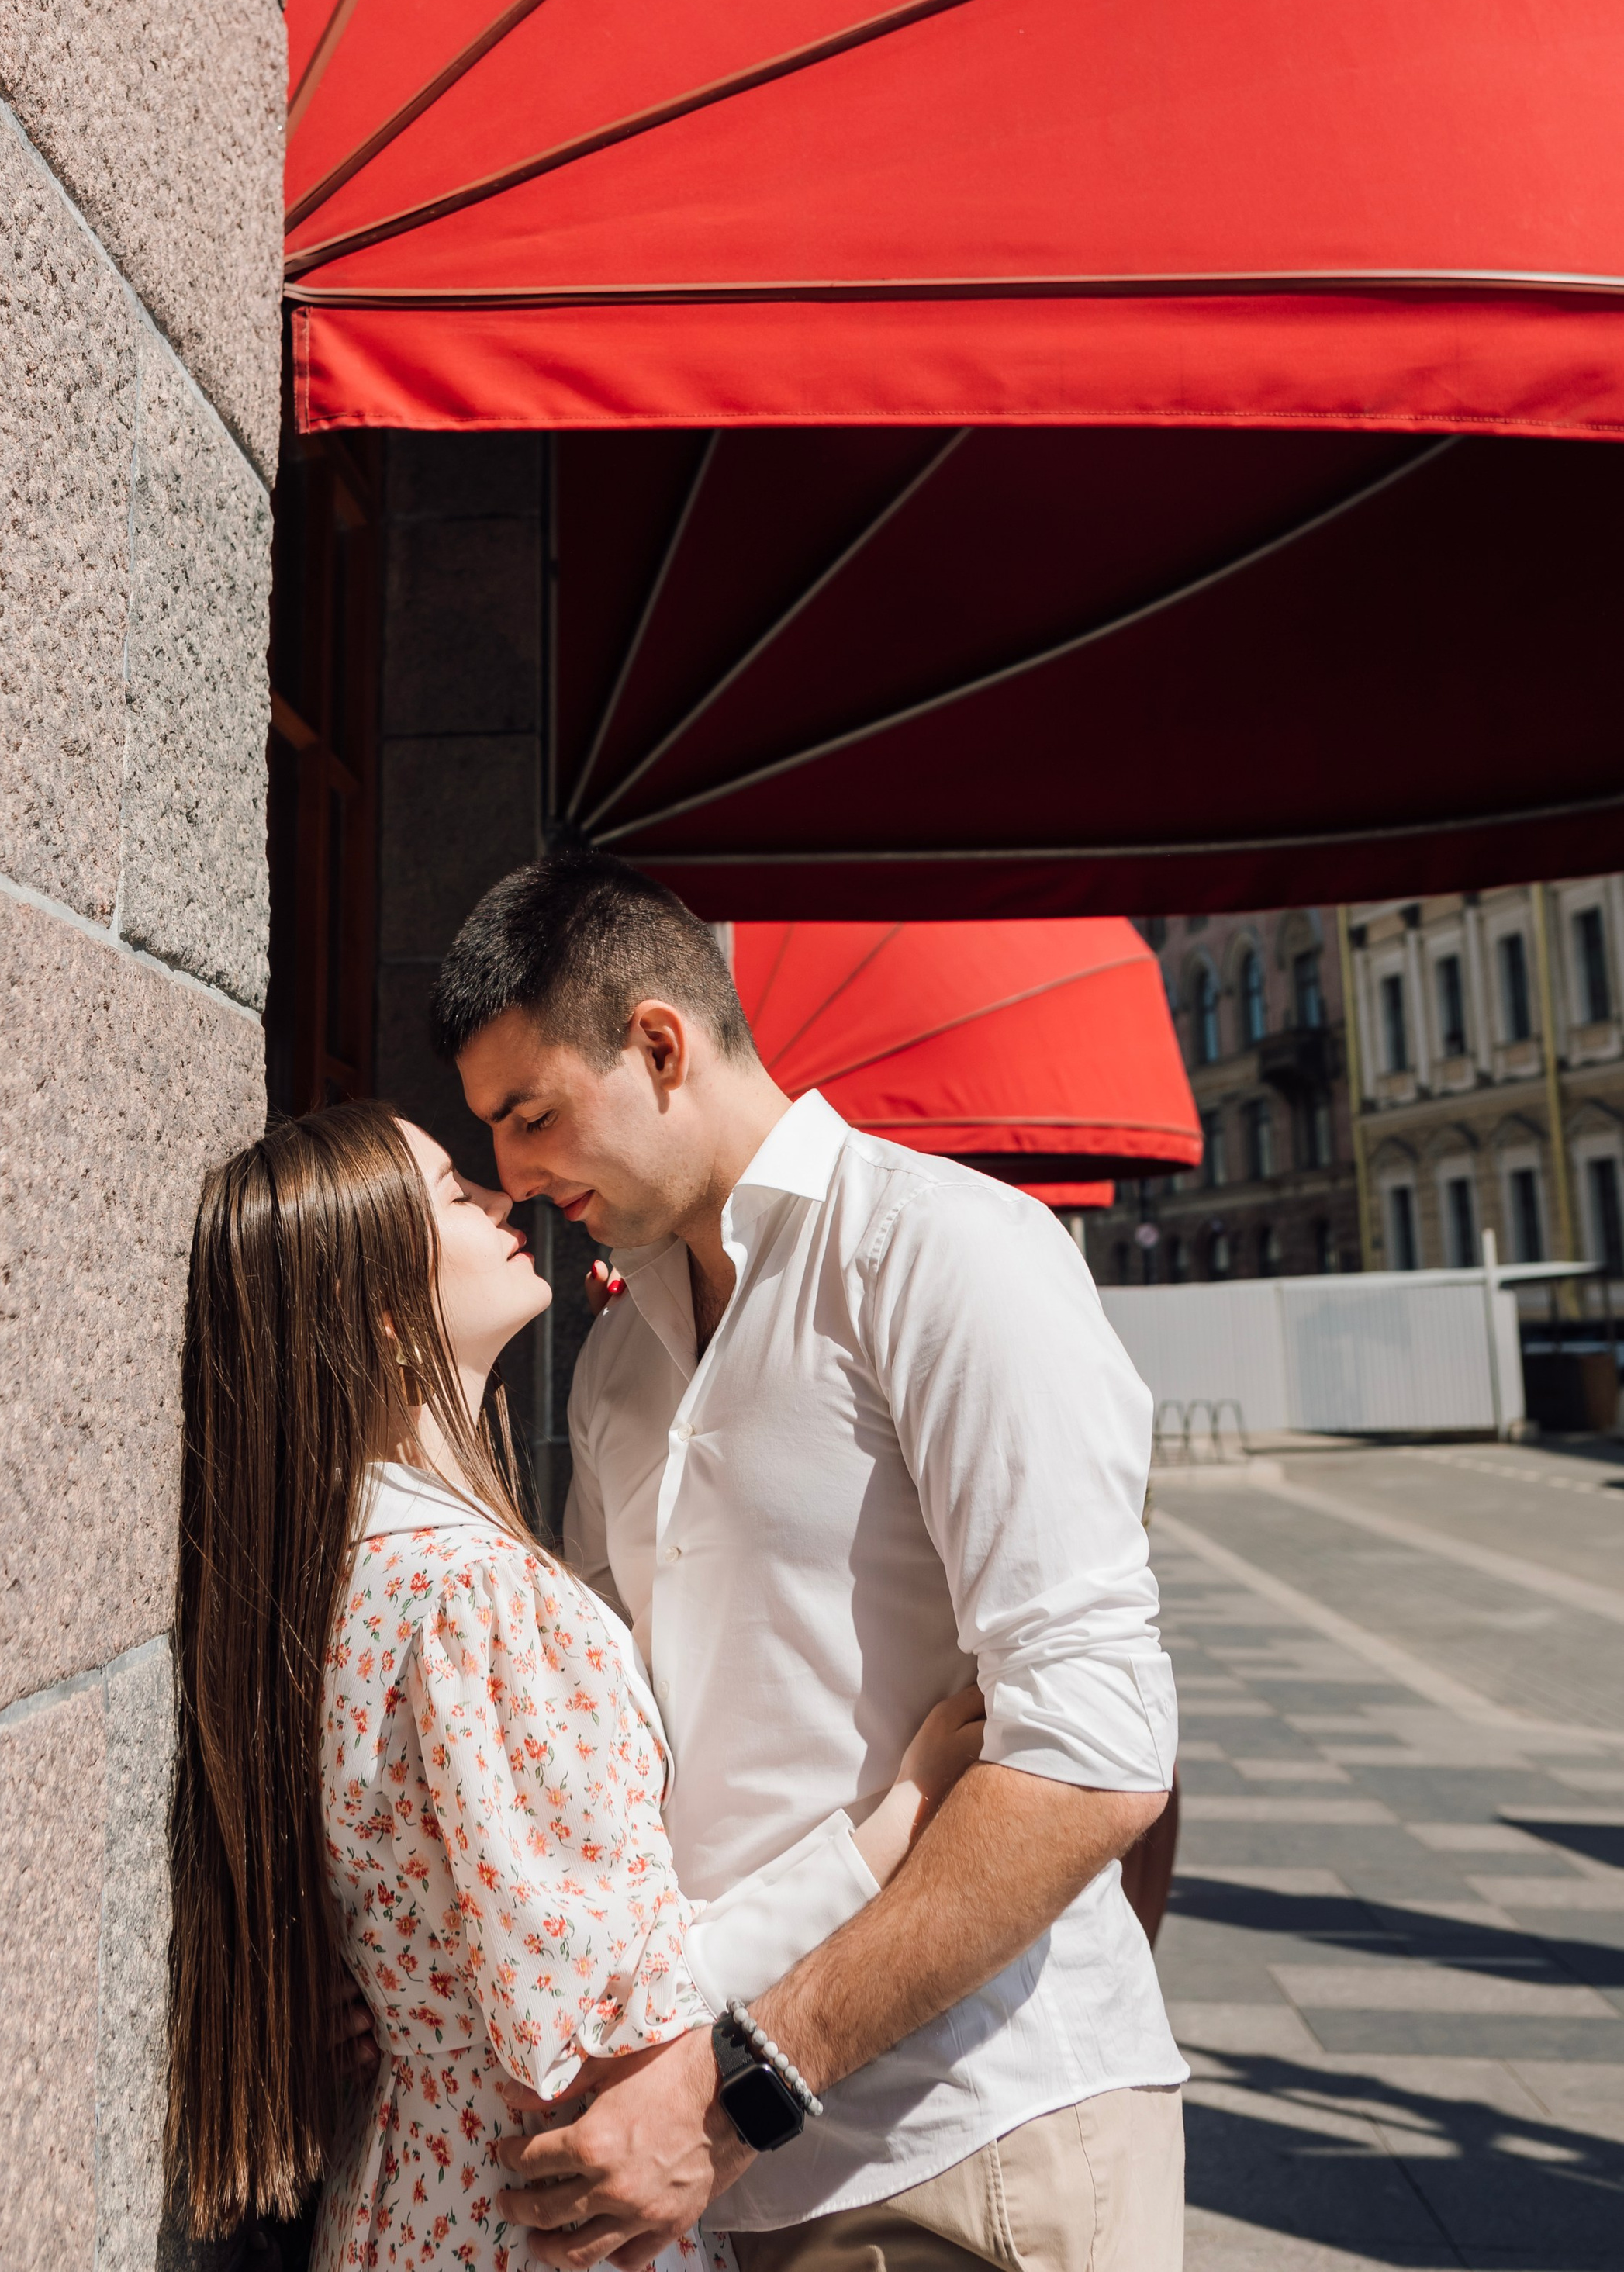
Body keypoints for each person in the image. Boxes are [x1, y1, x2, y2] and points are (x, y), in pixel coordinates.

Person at [431, 855, 1186, 2272]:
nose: (517, 1178)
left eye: (531, 1117)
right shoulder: (611, 1365)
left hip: (970, 2139)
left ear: (659, 1043)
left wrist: (748, 2082)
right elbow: (609, 1760)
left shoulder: (949, 1257)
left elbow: (1096, 1752)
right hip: (727, 2177)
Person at [164, 1101, 986, 2270]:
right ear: (389, 1319)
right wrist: (904, 1819)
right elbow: (620, 2013)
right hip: (536, 2216)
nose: (504, 1201)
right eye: (457, 1192)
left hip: (410, 2199)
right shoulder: (472, 1598)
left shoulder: (331, 1571)